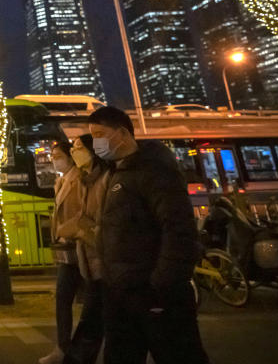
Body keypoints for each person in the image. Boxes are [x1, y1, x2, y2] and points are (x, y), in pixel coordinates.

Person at [89, 106, 208, 364]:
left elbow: (179, 230)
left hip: (153, 294)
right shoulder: (115, 173)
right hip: (121, 292)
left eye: (99, 133)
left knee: (179, 355)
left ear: (121, 133)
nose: (95, 142)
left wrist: (161, 285)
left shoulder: (155, 171)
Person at [64, 134, 110, 364]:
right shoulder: (84, 180)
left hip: (106, 266)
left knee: (93, 327)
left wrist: (82, 230)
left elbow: (109, 225)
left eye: (78, 147)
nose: (74, 151)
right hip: (91, 266)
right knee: (94, 325)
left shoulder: (106, 180)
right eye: (72, 148)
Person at [39, 141, 84, 364]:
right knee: (64, 299)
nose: (53, 159)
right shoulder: (61, 181)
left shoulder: (81, 179)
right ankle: (65, 348)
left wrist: (66, 229)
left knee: (71, 300)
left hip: (82, 247)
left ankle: (68, 349)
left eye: (57, 155)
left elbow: (85, 212)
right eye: (52, 156)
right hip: (69, 249)